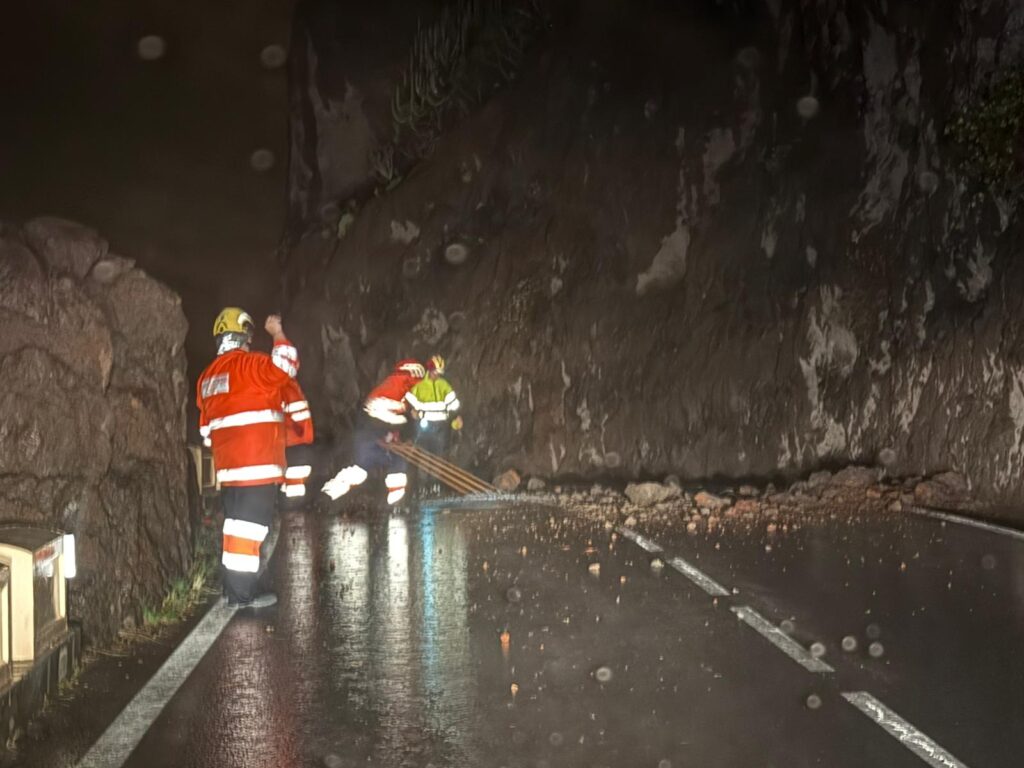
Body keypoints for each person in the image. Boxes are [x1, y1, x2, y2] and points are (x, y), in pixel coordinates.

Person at [197, 308, 299, 608]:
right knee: (250, 528)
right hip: (257, 465)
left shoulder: (206, 378)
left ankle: (233, 587)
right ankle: (242, 594)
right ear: (242, 336)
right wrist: (277, 332)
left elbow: (206, 430)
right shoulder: (252, 366)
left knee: (236, 526)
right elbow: (287, 364)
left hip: (228, 470)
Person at [321, 359, 424, 505]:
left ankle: (327, 497)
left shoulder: (392, 387)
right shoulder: (397, 389)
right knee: (396, 467)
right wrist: (397, 434)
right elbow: (391, 419)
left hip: (370, 437)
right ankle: (395, 506)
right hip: (375, 437)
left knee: (362, 469)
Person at [405, 354, 462, 457]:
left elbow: (453, 404)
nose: (437, 375)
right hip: (424, 424)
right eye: (435, 372)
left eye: (439, 372)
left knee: (439, 456)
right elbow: (409, 401)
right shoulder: (419, 385)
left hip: (441, 425)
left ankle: (436, 473)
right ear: (430, 370)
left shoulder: (444, 385)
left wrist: (457, 417)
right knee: (423, 456)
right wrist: (412, 412)